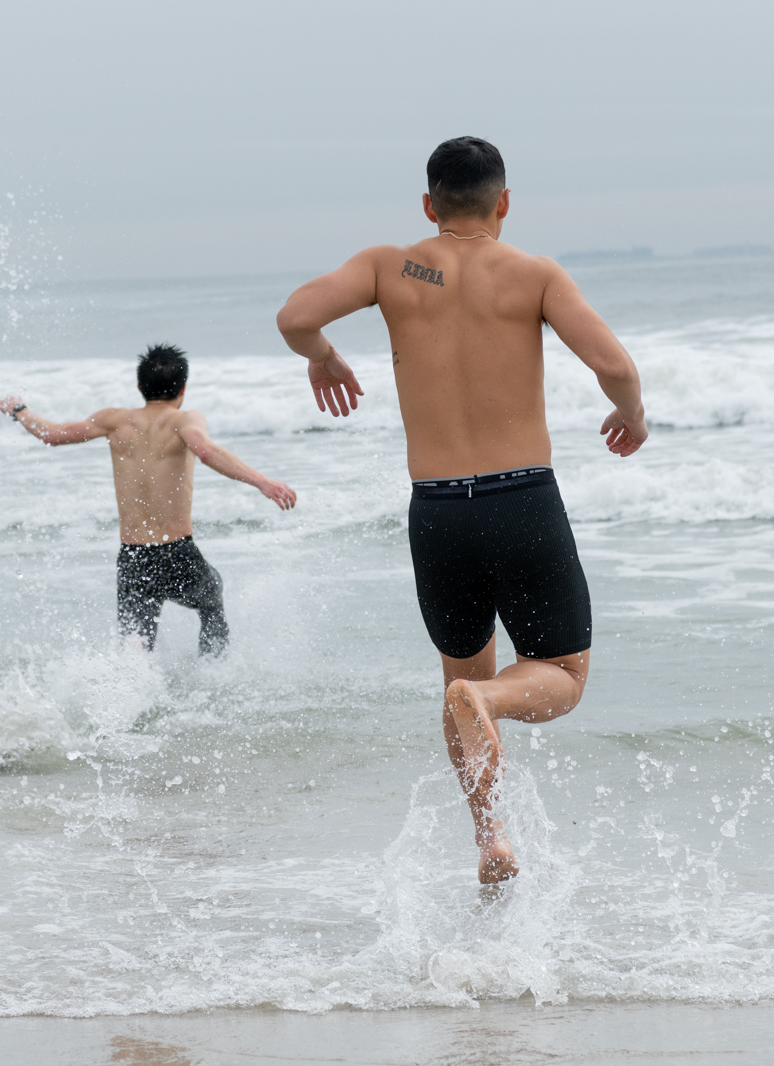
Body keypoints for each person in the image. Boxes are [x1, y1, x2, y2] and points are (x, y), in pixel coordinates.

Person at [275, 136, 648, 884]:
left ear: (428, 205)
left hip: (437, 512)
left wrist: (321, 354)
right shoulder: (534, 274)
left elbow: (293, 316)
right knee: (562, 677)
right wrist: (631, 415)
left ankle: (490, 838)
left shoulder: (390, 266)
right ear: (504, 202)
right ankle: (490, 698)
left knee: (456, 671)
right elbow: (614, 366)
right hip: (522, 502)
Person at [0, 344, 297, 656]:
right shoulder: (184, 419)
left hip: (133, 557)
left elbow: (52, 435)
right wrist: (264, 482)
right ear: (183, 387)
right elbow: (205, 451)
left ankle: (131, 694)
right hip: (176, 552)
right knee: (212, 595)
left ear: (140, 387)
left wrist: (19, 409)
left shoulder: (113, 420)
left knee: (135, 644)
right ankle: (213, 674)